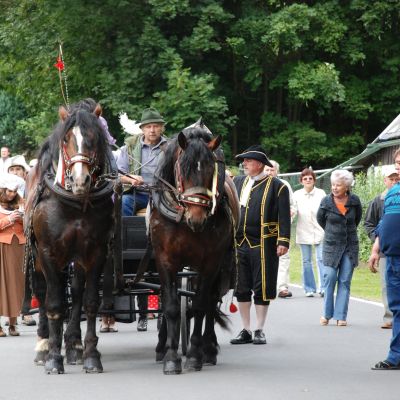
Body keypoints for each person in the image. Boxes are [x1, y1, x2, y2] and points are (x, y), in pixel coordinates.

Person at [114, 107, 168, 332]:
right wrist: (130, 178)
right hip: (137, 193)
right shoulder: (129, 148)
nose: (152, 129)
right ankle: (125, 247)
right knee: (123, 204)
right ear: (143, 129)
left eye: (156, 126)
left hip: (162, 193)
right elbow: (118, 174)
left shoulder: (170, 146)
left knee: (172, 210)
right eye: (149, 126)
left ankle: (169, 243)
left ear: (161, 128)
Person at [230, 145, 290, 345]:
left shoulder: (277, 186)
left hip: (265, 243)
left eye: (248, 161)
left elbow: (284, 217)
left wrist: (283, 240)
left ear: (259, 164)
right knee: (242, 286)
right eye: (244, 161)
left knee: (262, 286)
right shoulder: (238, 182)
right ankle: (245, 329)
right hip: (240, 242)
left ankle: (259, 328)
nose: (244, 164)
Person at [317, 170, 362, 327]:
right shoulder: (326, 202)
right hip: (331, 246)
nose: (334, 188)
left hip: (350, 246)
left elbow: (356, 220)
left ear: (347, 186)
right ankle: (326, 313)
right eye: (333, 184)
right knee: (329, 278)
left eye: (338, 185)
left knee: (344, 280)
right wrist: (333, 232)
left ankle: (341, 316)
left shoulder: (355, 201)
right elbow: (320, 220)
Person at [369, 149, 400, 370]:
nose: (397, 166)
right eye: (397, 162)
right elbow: (384, 224)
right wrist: (375, 249)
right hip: (391, 258)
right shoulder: (392, 192)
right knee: (397, 309)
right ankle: (395, 357)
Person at [364, 165, 399, 330]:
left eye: (395, 179)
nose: (393, 181)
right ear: (385, 181)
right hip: (384, 246)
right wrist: (377, 243)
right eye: (390, 179)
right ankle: (389, 317)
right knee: (387, 284)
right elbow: (370, 223)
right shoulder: (378, 200)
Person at [7, 155, 36, 326]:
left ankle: (25, 311)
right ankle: (10, 314)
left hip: (27, 235)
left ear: (25, 172)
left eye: (18, 169)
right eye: (12, 169)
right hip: (6, 237)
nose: (15, 172)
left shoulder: (32, 188)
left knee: (26, 274)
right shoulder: (3, 190)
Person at [264, 160, 296, 298]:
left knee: (283, 256)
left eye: (272, 170)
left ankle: (282, 287)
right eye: (267, 170)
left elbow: (293, 205)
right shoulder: (257, 184)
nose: (270, 172)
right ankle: (264, 285)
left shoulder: (284, 185)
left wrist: (290, 214)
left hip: (280, 229)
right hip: (263, 229)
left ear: (277, 171)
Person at [293, 168, 326, 297]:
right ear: (301, 181)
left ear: (314, 181)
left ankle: (323, 287)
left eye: (310, 178)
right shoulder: (296, 194)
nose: (308, 180)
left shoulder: (321, 193)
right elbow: (293, 210)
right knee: (306, 261)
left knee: (321, 259)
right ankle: (309, 288)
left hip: (320, 230)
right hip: (303, 230)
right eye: (305, 178)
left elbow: (325, 209)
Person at [0, 174, 26, 337]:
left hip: (19, 247)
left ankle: (13, 323)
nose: (12, 194)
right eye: (9, 191)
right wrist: (9, 219)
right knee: (1, 284)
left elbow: (30, 224)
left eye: (14, 191)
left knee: (16, 285)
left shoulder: (21, 202)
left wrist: (22, 218)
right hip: (1, 246)